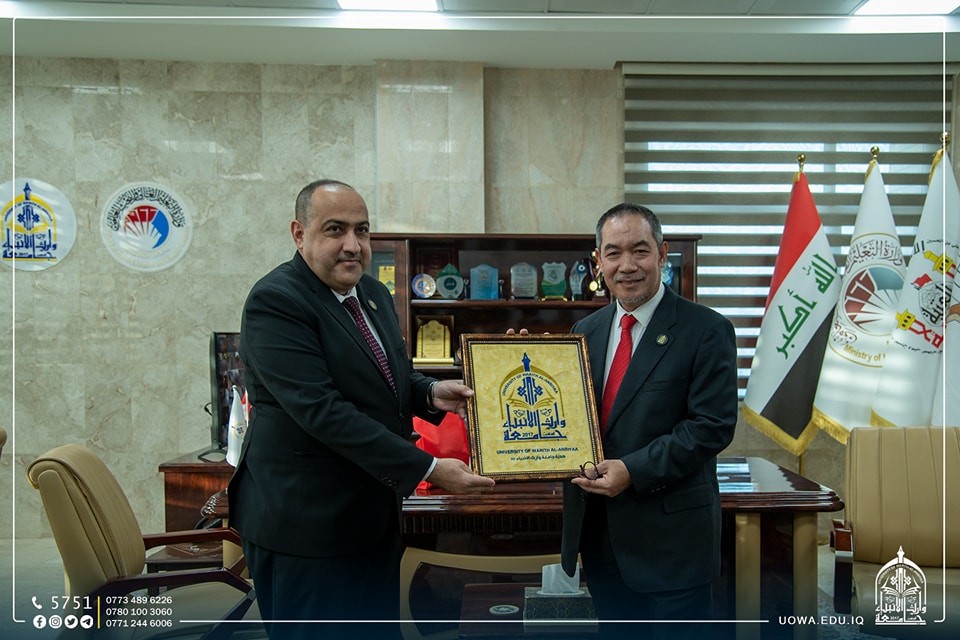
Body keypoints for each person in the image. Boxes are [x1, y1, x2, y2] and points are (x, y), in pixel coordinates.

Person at [228, 179, 495, 640]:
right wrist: (429, 467)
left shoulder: (371, 293)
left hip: (371, 519)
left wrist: (431, 393)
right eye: (335, 229)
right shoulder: (277, 301)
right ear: (299, 233)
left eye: (362, 230)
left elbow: (389, 376)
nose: (353, 245)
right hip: (307, 529)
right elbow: (323, 411)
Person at [561, 203, 738, 640]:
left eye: (639, 251)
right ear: (598, 261)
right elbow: (570, 418)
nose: (627, 266)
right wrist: (513, 362)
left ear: (662, 253)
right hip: (601, 536)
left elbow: (711, 425)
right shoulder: (584, 331)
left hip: (673, 543)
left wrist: (632, 470)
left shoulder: (706, 329)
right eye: (613, 253)